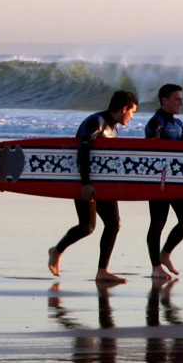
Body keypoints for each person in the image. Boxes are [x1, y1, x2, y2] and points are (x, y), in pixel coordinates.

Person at [47, 90, 138, 284]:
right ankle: (56, 251)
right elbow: (83, 152)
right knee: (86, 226)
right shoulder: (94, 122)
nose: (132, 117)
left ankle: (102, 271)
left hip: (103, 185)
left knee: (114, 224)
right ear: (124, 109)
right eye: (132, 112)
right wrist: (85, 183)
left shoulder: (113, 129)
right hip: (83, 181)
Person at [143, 83, 183, 281]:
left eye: (181, 98)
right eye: (177, 99)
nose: (181, 102)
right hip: (158, 182)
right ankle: (155, 267)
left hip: (176, 181)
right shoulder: (155, 123)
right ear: (164, 100)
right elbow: (152, 154)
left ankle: (165, 253)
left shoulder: (178, 125)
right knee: (157, 223)